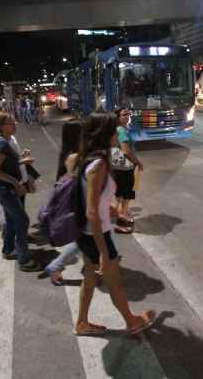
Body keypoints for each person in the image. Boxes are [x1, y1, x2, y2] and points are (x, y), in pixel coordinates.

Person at [74, 110, 155, 336]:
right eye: (114, 129)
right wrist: (102, 250)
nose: (118, 133)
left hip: (87, 232)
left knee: (90, 279)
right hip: (95, 234)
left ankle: (82, 323)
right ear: (105, 133)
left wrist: (112, 210)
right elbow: (91, 211)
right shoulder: (98, 164)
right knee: (114, 281)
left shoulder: (88, 157)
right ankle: (131, 321)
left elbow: (94, 199)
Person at [0, 112, 41, 271]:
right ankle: (24, 260)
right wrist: (14, 183)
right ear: (1, 127)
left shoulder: (5, 141)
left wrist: (21, 160)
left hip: (6, 188)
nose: (15, 124)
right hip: (5, 189)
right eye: (10, 123)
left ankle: (8, 249)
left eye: (13, 122)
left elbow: (7, 164)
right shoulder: (1, 144)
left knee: (12, 219)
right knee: (22, 220)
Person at [44, 120, 84, 286]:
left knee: (83, 239)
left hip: (72, 203)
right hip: (78, 203)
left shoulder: (67, 152)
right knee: (83, 239)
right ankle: (56, 265)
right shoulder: (74, 156)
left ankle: (58, 266)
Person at [112, 108, 143, 233]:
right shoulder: (121, 130)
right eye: (124, 114)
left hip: (118, 168)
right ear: (118, 117)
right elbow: (126, 151)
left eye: (128, 114)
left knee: (120, 196)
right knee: (126, 198)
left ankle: (117, 218)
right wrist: (138, 162)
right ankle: (121, 224)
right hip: (125, 168)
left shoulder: (119, 129)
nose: (127, 116)